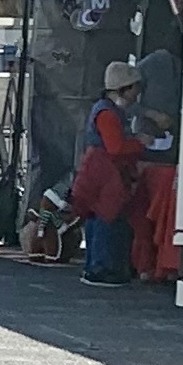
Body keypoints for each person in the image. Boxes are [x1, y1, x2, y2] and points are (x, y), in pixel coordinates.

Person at [70, 60, 151, 285]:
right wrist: (140, 143)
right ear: (123, 88)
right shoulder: (108, 114)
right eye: (134, 88)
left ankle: (94, 266)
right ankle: (103, 268)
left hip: (98, 169)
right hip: (106, 170)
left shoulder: (105, 109)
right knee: (107, 216)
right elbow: (115, 147)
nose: (137, 93)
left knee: (97, 216)